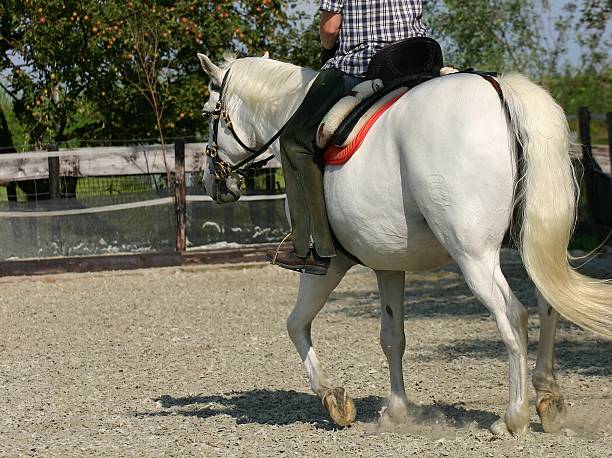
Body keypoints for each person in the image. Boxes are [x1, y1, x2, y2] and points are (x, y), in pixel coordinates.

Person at [267, 0, 428, 275]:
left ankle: (310, 248)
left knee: (294, 141)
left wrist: (325, 52)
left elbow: (331, 28)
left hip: (366, 64)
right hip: (420, 57)